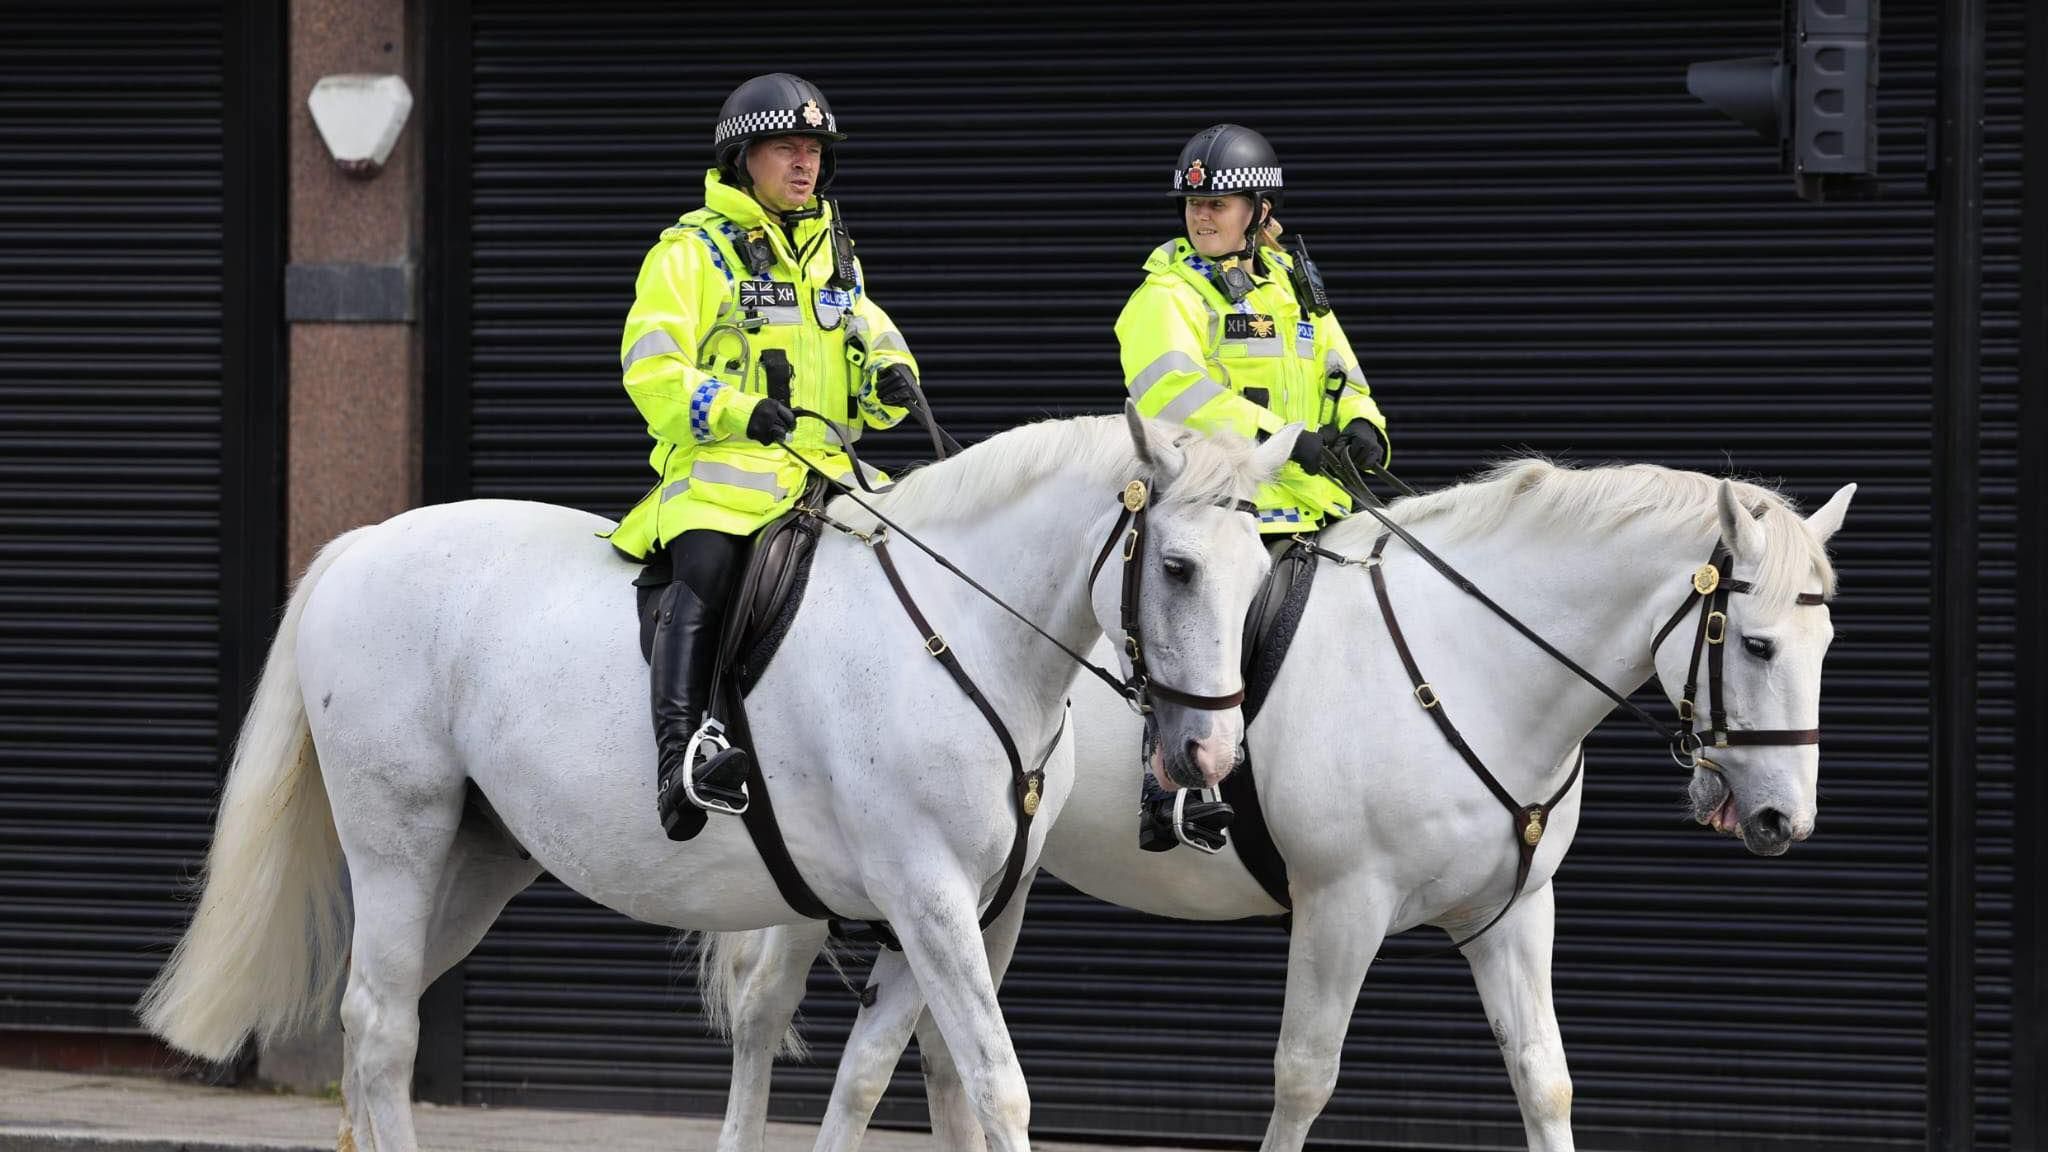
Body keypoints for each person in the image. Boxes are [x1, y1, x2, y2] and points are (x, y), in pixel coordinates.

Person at [607, 73, 922, 842]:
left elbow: (868, 337)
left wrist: (891, 376)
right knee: (706, 574)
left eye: (814, 149)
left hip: (832, 476)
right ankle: (682, 758)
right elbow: (652, 370)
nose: (805, 162)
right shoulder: (691, 253)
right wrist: (739, 409)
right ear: (744, 156)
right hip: (722, 481)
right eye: (787, 147)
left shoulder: (834, 255)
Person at [1114, 123, 1390, 852]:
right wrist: (1282, 437)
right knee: (1208, 618)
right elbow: (1173, 389)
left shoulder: (1294, 285)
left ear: (1259, 211)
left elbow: (1344, 374)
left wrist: (1361, 426)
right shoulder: (1165, 293)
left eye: (1222, 204)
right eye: (1194, 204)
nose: (1202, 216)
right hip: (1216, 504)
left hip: (1312, 503)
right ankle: (1169, 782)